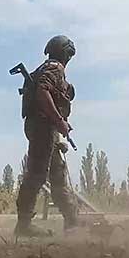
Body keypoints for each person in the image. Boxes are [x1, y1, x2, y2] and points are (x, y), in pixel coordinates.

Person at [15, 35, 79, 237]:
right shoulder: (55, 68)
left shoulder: (45, 67)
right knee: (36, 175)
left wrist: (59, 125)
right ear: (66, 54)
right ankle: (23, 225)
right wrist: (59, 121)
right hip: (43, 128)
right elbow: (43, 92)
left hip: (43, 128)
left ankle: (72, 222)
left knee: (57, 174)